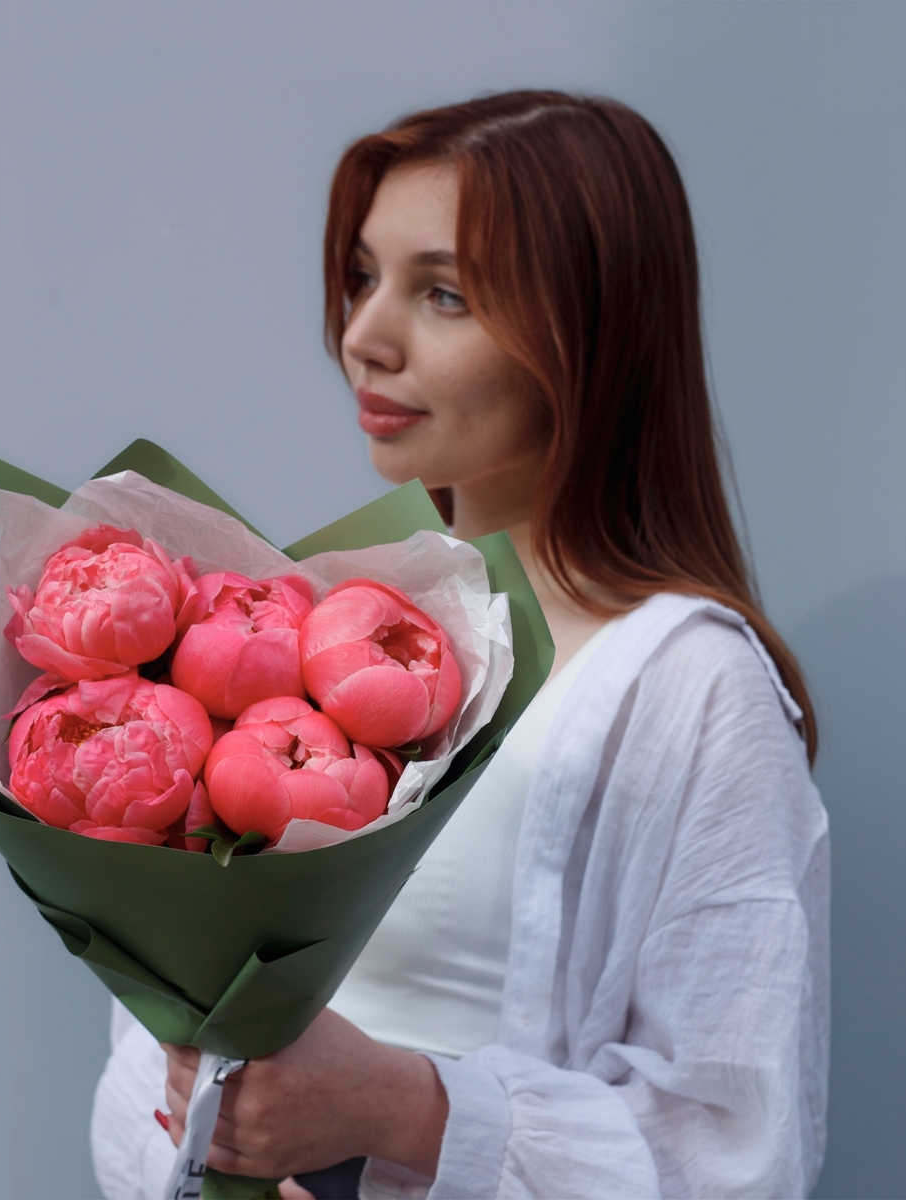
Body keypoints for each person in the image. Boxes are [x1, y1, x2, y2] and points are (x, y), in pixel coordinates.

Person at [91, 91, 829, 1200]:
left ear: (589, 329)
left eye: (443, 293)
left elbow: (737, 1146)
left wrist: (406, 1108)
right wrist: (202, 1147)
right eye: (362, 277)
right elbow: (146, 1043)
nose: (363, 336)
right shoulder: (306, 631)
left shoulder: (691, 686)